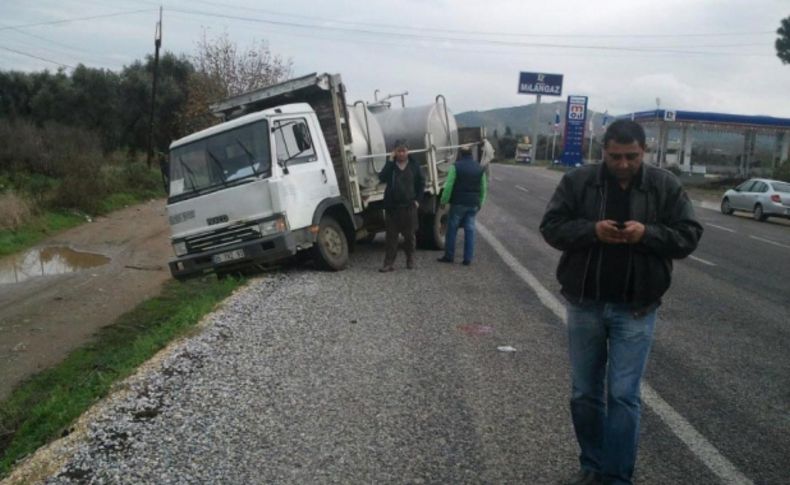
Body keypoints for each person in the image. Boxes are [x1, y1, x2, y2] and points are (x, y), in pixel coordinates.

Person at [539, 120, 703, 485]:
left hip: (637, 308)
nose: (624, 164)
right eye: (616, 156)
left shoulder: (664, 186)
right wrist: (591, 230)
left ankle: (616, 477)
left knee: (624, 395)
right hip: (585, 303)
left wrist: (647, 234)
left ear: (644, 152)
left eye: (631, 156)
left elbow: (689, 236)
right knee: (584, 393)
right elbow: (551, 227)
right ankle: (593, 464)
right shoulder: (578, 182)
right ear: (604, 152)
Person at [437, 145, 488, 266]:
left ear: (460, 154)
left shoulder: (456, 167)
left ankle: (449, 256)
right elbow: (483, 188)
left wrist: (444, 201)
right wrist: (480, 202)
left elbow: (449, 186)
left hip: (458, 203)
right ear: (471, 154)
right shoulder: (479, 168)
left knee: (452, 229)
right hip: (473, 204)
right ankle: (467, 259)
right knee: (470, 230)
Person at [378, 142, 425, 272]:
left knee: (409, 236)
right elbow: (381, 178)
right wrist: (389, 161)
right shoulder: (391, 167)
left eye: (403, 151)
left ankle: (410, 258)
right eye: (398, 151)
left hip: (409, 207)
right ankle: (388, 263)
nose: (401, 154)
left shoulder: (414, 166)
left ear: (408, 151)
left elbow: (421, 183)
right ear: (394, 152)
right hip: (392, 208)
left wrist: (417, 200)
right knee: (391, 238)